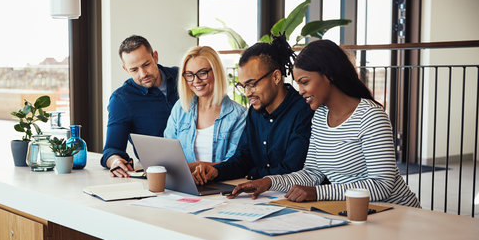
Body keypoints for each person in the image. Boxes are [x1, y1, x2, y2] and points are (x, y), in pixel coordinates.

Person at [228, 39, 420, 208]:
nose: (300, 91)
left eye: (304, 82)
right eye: (298, 83)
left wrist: (318, 193)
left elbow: (382, 186)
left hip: (396, 211)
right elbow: (312, 173)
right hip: (355, 212)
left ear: (328, 76)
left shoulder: (371, 116)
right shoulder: (320, 116)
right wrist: (268, 182)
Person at [192, 35, 314, 184]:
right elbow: (243, 158)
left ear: (276, 77)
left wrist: (252, 173)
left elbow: (292, 170)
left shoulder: (304, 112)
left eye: (252, 84)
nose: (248, 93)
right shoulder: (254, 112)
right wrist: (217, 171)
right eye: (243, 86)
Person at [101, 35, 179, 177]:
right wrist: (115, 161)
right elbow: (112, 149)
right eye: (134, 70)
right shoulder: (121, 99)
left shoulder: (184, 77)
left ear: (155, 56)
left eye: (146, 64)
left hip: (202, 166)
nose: (143, 74)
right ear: (125, 69)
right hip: (157, 173)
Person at [164, 46, 247, 170]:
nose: (196, 80)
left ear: (216, 72)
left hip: (220, 185)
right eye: (189, 75)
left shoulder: (239, 115)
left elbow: (234, 163)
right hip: (183, 184)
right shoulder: (180, 108)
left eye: (202, 73)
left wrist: (195, 167)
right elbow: (168, 152)